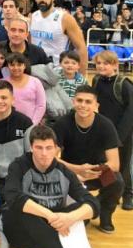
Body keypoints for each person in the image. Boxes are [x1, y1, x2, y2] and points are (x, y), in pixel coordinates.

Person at [3, 126, 99, 248]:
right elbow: (12, 197)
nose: (44, 153)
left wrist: (70, 218)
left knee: (80, 208)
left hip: (53, 228)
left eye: (48, 148)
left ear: (56, 150)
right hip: (22, 232)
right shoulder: (18, 165)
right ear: (31, 147)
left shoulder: (64, 171)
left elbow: (93, 204)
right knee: (24, 207)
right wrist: (49, 215)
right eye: (39, 147)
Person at [53, 85, 124, 233]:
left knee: (116, 181)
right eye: (79, 100)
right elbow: (52, 158)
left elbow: (115, 164)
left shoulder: (106, 125)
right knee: (80, 224)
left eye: (88, 102)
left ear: (96, 105)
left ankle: (103, 213)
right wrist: (78, 170)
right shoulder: (62, 123)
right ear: (73, 102)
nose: (83, 105)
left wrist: (92, 170)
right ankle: (82, 212)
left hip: (97, 171)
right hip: (70, 172)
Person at [91, 50, 133, 210]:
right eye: (98, 63)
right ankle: (109, 193)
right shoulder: (96, 81)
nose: (101, 66)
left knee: (124, 165)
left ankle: (128, 194)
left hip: (123, 134)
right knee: (107, 165)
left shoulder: (124, 84)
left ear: (115, 65)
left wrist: (119, 137)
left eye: (105, 63)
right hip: (104, 133)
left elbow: (130, 112)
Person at [30, 0, 88, 72]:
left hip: (58, 72)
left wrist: (82, 77)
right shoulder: (33, 16)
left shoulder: (65, 18)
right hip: (35, 70)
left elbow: (81, 48)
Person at [6, 53, 46, 125]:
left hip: (31, 124)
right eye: (12, 65)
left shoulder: (35, 82)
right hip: (9, 124)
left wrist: (33, 124)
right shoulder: (3, 83)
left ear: (24, 66)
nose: (16, 68)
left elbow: (41, 105)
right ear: (7, 67)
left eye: (19, 65)